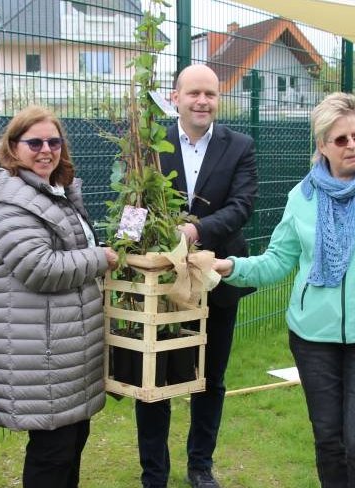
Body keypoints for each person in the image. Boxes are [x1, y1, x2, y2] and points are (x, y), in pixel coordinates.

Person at [213, 92, 355, 488]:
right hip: (313, 337)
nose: (353, 145)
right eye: (341, 139)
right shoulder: (301, 198)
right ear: (321, 145)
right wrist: (229, 267)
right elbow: (277, 261)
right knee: (329, 439)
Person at [0, 105, 118, 488]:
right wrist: (100, 258)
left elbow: (69, 248)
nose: (46, 150)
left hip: (65, 346)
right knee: (52, 454)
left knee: (71, 444)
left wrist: (98, 250)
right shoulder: (11, 201)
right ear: (13, 147)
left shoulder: (54, 192)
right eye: (35, 142)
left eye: (54, 141)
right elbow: (38, 267)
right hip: (41, 350)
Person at [135, 64, 258, 488]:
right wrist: (127, 243)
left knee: (210, 378)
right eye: (194, 93)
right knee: (157, 376)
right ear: (175, 97)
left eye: (210, 93)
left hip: (216, 279)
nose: (202, 101)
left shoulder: (239, 145)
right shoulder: (151, 145)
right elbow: (135, 202)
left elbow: (242, 206)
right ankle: (154, 473)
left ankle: (200, 467)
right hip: (162, 281)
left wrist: (196, 230)